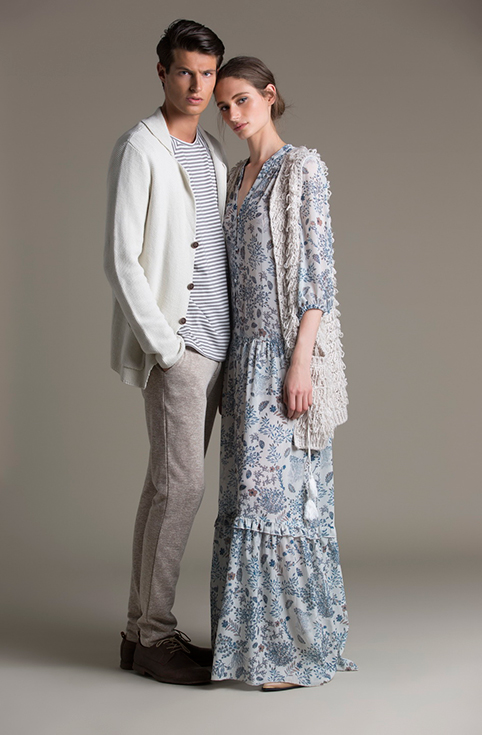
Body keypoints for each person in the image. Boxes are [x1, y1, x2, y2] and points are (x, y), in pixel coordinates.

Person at [210, 57, 357, 691]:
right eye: (224, 106)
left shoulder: (301, 169)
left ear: (270, 96)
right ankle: (250, 649)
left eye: (242, 100)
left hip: (283, 355)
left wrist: (301, 361)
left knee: (281, 502)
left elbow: (318, 273)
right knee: (243, 501)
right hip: (242, 360)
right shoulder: (234, 177)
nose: (232, 115)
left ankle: (294, 650)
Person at [104, 19, 229, 686]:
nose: (197, 85)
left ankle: (138, 633)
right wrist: (166, 348)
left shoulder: (211, 151)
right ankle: (156, 635)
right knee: (182, 486)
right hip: (181, 348)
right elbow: (121, 258)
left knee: (163, 486)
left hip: (222, 346)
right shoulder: (140, 147)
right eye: (185, 71)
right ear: (162, 72)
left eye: (207, 74)